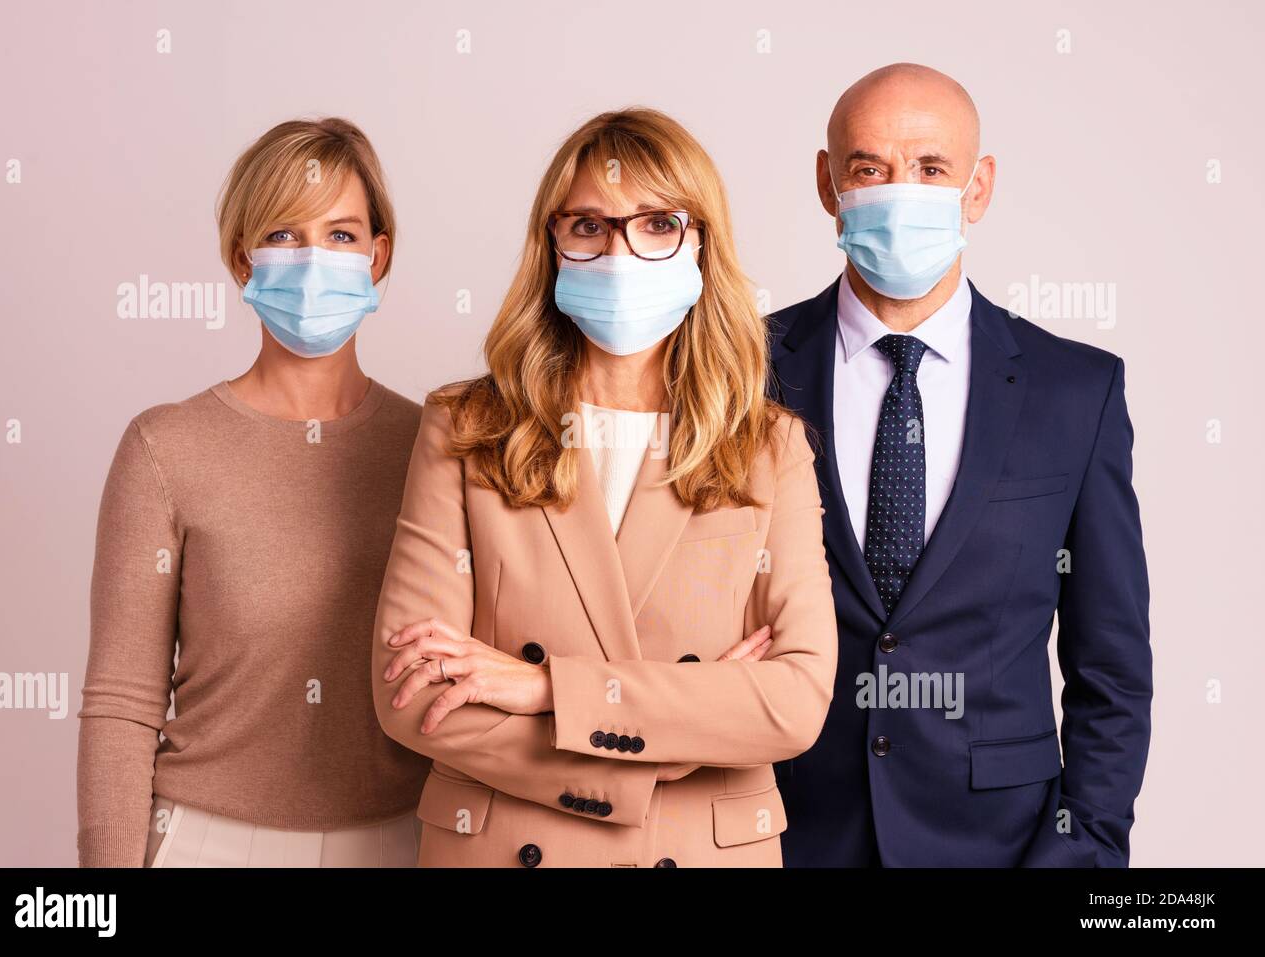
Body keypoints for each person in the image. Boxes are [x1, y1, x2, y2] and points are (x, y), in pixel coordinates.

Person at [371, 108, 837, 867]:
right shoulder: (464, 427)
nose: (619, 252)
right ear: (552, 246)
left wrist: (544, 689)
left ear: (700, 245)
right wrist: (689, 728)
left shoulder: (769, 447)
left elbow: (793, 702)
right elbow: (415, 694)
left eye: (656, 224)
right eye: (588, 225)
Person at [770, 64, 1152, 867]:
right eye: (868, 168)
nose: (896, 191)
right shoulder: (741, 370)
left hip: (1004, 845)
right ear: (825, 182)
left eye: (931, 168)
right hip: (783, 833)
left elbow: (1110, 670)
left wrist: (1080, 853)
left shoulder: (1075, 391)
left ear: (978, 189)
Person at [77, 118, 428, 867]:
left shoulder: (434, 448)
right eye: (283, 235)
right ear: (243, 260)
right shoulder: (163, 448)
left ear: (377, 255)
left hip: (406, 837)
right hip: (207, 840)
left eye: (339, 235)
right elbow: (122, 701)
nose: (312, 261)